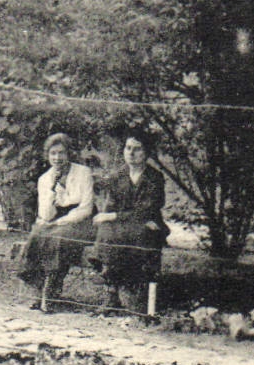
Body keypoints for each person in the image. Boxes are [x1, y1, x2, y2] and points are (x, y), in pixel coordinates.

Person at [85, 131, 169, 314]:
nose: (131, 153)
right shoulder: (118, 176)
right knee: (108, 229)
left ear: (146, 152)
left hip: (148, 226)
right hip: (129, 226)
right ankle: (111, 293)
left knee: (137, 233)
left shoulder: (155, 178)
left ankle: (137, 296)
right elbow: (111, 206)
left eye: (137, 149)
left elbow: (147, 210)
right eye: (128, 148)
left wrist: (114, 217)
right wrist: (110, 216)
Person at [17, 132, 97, 312]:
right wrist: (52, 190)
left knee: (59, 236)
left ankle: (51, 288)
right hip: (56, 219)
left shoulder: (83, 173)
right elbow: (46, 213)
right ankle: (38, 288)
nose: (57, 158)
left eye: (61, 153)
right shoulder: (45, 178)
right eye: (53, 153)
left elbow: (86, 207)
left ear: (69, 154)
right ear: (48, 155)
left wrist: (62, 221)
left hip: (82, 220)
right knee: (37, 235)